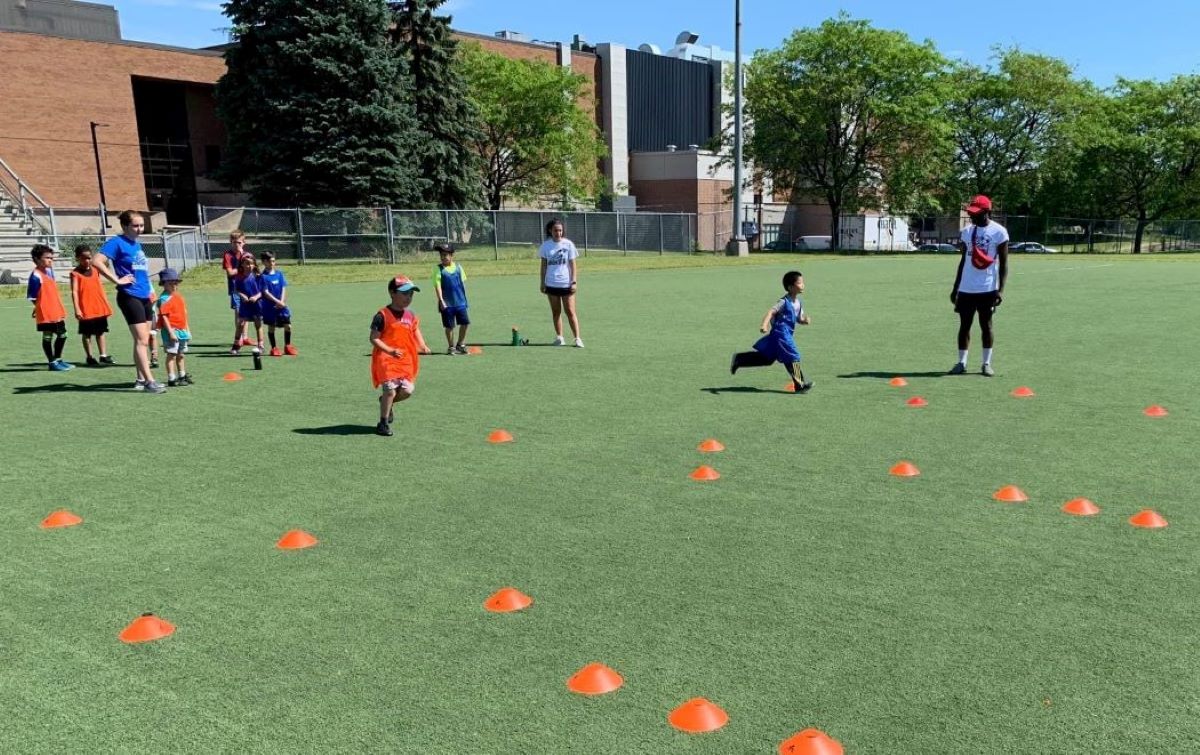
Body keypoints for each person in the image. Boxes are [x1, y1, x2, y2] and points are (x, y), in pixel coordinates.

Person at [93, 210, 165, 393]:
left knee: (143, 339)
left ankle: (140, 379)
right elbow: (97, 261)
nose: (139, 229)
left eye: (141, 225)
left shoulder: (136, 245)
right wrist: (117, 280)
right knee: (142, 340)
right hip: (129, 295)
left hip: (144, 295)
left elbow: (141, 272)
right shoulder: (117, 243)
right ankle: (150, 381)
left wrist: (151, 290)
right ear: (125, 226)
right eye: (135, 225)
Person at [949, 194, 1008, 377]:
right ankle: (961, 362)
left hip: (987, 288)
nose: (972, 216)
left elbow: (1004, 264)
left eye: (976, 213)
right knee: (964, 326)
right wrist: (955, 287)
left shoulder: (999, 232)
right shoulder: (967, 231)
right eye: (971, 213)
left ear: (987, 212)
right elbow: (962, 261)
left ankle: (986, 363)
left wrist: (1000, 290)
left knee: (986, 325)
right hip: (966, 288)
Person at [729, 270, 813, 393]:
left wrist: (804, 320)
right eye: (800, 283)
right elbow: (771, 312)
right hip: (781, 334)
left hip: (782, 336)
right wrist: (764, 325)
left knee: (766, 359)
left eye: (803, 282)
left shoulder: (799, 303)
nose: (803, 285)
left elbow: (798, 318)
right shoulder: (783, 302)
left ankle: (739, 359)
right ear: (790, 287)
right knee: (793, 355)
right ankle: (799, 385)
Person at [370, 275, 430, 437]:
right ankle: (383, 423)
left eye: (411, 294)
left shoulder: (410, 315)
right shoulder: (382, 315)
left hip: (405, 361)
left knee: (407, 391)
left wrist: (422, 344)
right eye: (404, 293)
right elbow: (374, 338)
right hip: (386, 360)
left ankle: (385, 402)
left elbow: (415, 329)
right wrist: (389, 351)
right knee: (390, 390)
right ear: (392, 293)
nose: (408, 298)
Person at [26, 244, 73, 371]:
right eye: (47, 258)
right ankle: (52, 363)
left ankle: (58, 359)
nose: (51, 260)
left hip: (56, 310)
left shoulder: (49, 271)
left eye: (52, 258)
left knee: (63, 335)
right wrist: (38, 307)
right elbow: (32, 296)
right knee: (48, 336)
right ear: (37, 259)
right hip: (46, 312)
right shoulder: (35, 276)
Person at [538, 218, 583, 347]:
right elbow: (543, 266)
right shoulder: (545, 246)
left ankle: (577, 338)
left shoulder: (568, 244)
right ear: (550, 231)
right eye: (555, 230)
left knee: (570, 311)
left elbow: (573, 265)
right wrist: (542, 282)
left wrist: (574, 281)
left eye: (560, 230)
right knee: (556, 312)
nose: (558, 233)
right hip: (551, 284)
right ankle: (560, 337)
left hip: (566, 283)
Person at [69, 244, 115, 367]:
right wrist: (77, 309)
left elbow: (106, 264)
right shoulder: (75, 273)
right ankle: (89, 357)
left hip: (99, 307)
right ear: (77, 258)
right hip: (85, 309)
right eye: (84, 258)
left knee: (101, 332)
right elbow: (74, 292)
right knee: (87, 334)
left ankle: (103, 355)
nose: (87, 260)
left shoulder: (95, 270)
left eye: (89, 258)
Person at [155, 268, 192, 387]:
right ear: (163, 284)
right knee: (171, 354)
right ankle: (172, 378)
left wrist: (187, 330)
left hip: (182, 331)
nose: (174, 285)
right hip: (172, 331)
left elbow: (184, 314)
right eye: (170, 283)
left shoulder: (178, 297)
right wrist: (171, 332)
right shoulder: (163, 299)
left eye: (175, 283)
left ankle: (182, 375)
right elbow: (164, 317)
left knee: (181, 354)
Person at [433, 243, 470, 355]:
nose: (444, 257)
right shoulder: (438, 269)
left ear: (451, 255)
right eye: (442, 255)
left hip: (460, 302)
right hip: (447, 304)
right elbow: (437, 286)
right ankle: (451, 347)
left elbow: (463, 284)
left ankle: (460, 344)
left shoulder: (458, 268)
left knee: (465, 323)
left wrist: (465, 299)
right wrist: (441, 300)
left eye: (446, 255)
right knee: (449, 326)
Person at [258, 252, 296, 356]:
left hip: (282, 306)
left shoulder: (279, 274)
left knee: (288, 326)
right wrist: (277, 301)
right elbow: (265, 293)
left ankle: (288, 346)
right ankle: (274, 348)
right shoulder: (263, 277)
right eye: (269, 261)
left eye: (274, 261)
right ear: (264, 262)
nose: (272, 263)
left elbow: (283, 287)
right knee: (272, 327)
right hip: (270, 307)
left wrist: (282, 301)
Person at [222, 230, 254, 348]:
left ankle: (245, 337)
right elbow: (230, 273)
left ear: (244, 243)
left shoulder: (248, 255)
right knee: (239, 312)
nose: (237, 245)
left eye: (239, 242)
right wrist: (241, 267)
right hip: (236, 288)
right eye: (234, 242)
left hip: (248, 287)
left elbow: (252, 270)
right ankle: (239, 337)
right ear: (231, 242)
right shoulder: (228, 255)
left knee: (246, 312)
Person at [231, 255, 264, 355]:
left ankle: (260, 345)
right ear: (242, 264)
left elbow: (263, 291)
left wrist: (256, 297)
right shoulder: (239, 277)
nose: (249, 266)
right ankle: (236, 345)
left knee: (258, 324)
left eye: (251, 264)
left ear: (254, 265)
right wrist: (242, 295)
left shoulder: (258, 276)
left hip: (257, 304)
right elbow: (236, 290)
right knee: (240, 324)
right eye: (247, 263)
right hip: (245, 305)